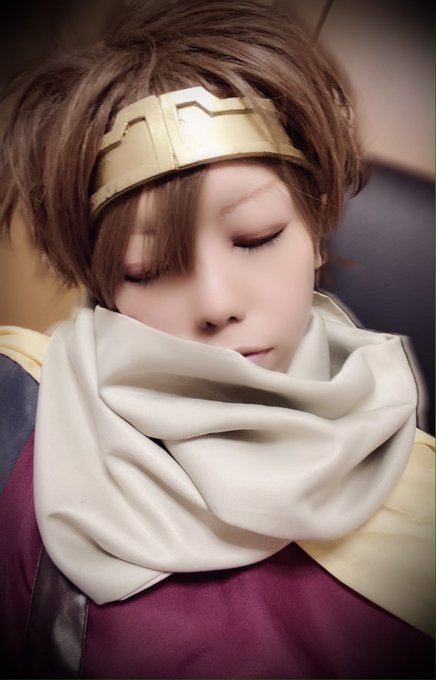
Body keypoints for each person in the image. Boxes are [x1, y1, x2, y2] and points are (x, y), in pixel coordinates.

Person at [0, 1, 434, 677]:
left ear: (317, 228)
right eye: (146, 268)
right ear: (104, 285)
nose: (216, 304)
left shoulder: (423, 500)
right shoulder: (16, 417)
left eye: (256, 237)